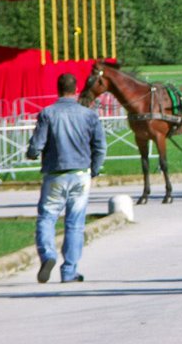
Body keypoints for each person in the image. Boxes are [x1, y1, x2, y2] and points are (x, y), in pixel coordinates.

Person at [27, 73, 107, 284]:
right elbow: (100, 146)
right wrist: (95, 169)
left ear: (58, 88)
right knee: (75, 224)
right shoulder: (88, 115)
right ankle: (69, 270)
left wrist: (32, 153)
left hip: (55, 174)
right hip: (81, 175)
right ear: (76, 88)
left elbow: (37, 145)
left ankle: (48, 255)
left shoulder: (48, 113)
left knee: (47, 217)